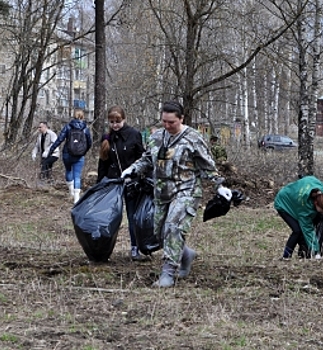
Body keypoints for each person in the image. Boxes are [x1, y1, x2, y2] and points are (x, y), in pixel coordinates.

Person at [121, 100, 230, 287]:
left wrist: (219, 185)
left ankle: (168, 273)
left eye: (171, 122)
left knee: (173, 227)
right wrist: (132, 170)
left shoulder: (193, 138)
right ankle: (186, 254)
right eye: (164, 121)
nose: (167, 125)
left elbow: (207, 165)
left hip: (186, 191)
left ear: (181, 119)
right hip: (162, 192)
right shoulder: (157, 137)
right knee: (159, 234)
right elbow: (148, 159)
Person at [97, 105, 145, 261]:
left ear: (124, 119)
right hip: (113, 182)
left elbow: (142, 158)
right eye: (111, 122)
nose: (114, 125)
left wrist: (140, 176)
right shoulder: (107, 138)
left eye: (117, 121)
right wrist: (100, 183)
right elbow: (102, 162)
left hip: (131, 182)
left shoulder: (134, 135)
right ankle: (103, 249)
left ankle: (135, 248)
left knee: (132, 216)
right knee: (109, 217)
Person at [274, 175, 323, 260]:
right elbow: (308, 230)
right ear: (316, 203)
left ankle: (303, 253)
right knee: (297, 230)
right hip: (283, 202)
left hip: (293, 196)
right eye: (322, 210)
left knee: (307, 227)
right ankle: (286, 256)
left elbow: (310, 178)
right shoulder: (305, 209)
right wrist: (316, 252)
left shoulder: (321, 189)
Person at [48, 109, 92, 203]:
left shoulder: (68, 127)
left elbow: (60, 139)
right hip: (79, 155)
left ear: (73, 116)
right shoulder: (85, 128)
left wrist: (51, 150)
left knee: (68, 170)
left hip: (67, 154)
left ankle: (71, 191)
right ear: (82, 116)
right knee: (77, 175)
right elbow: (89, 143)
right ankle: (76, 198)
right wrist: (84, 152)